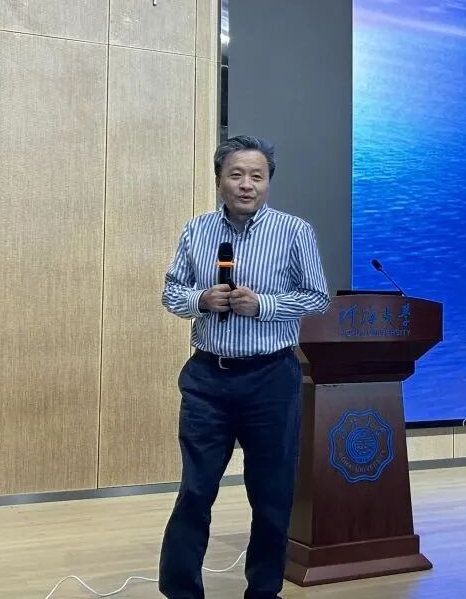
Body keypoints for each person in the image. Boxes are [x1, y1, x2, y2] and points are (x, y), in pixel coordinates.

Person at [158, 135, 330, 599]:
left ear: (269, 182)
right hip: (207, 379)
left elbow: (316, 298)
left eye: (257, 176)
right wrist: (201, 298)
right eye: (236, 175)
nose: (246, 185)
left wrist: (264, 305)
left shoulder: (294, 231)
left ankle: (263, 592)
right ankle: (181, 591)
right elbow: (171, 292)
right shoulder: (196, 230)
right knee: (196, 491)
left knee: (272, 496)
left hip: (271, 378)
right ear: (219, 179)